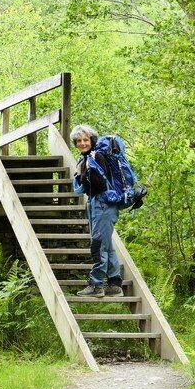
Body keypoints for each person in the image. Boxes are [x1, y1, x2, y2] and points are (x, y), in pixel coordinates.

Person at [70, 124, 123, 298]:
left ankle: (97, 285)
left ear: (92, 140)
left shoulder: (97, 157)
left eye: (86, 140)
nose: (83, 143)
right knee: (106, 245)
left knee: (98, 244)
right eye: (79, 141)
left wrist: (86, 175)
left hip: (104, 204)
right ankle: (115, 284)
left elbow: (99, 184)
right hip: (97, 204)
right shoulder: (85, 159)